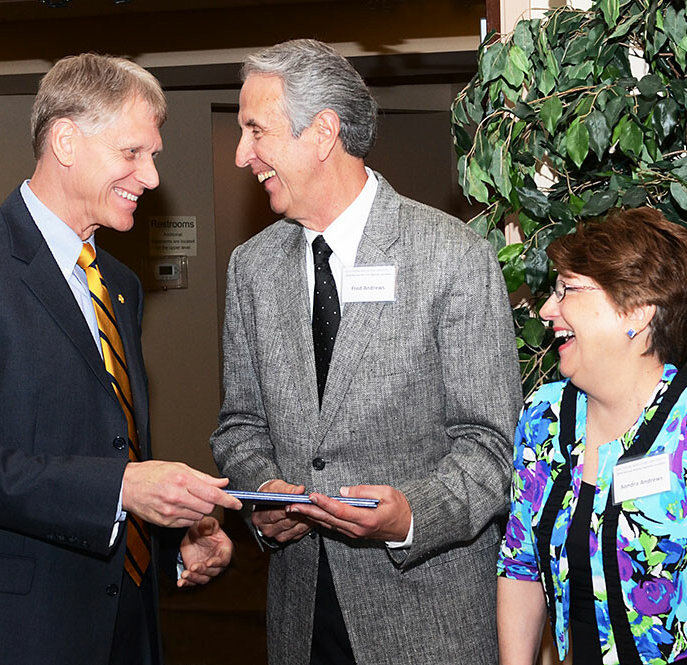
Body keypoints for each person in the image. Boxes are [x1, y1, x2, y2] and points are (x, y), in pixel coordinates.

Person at [0, 53, 242, 665]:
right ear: (66, 141)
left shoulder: (121, 284)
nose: (152, 177)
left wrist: (168, 545)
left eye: (152, 155)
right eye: (134, 153)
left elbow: (104, 446)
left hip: (119, 625)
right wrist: (123, 488)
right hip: (2, 633)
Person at [209, 39, 521, 665]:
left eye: (255, 130)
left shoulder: (451, 255)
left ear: (322, 133)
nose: (243, 154)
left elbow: (492, 447)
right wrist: (263, 493)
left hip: (424, 619)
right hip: (300, 616)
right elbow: (238, 426)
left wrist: (410, 515)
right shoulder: (252, 267)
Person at [497, 208, 687, 665]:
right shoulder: (544, 416)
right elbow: (519, 561)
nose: (547, 309)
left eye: (567, 290)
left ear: (636, 310)